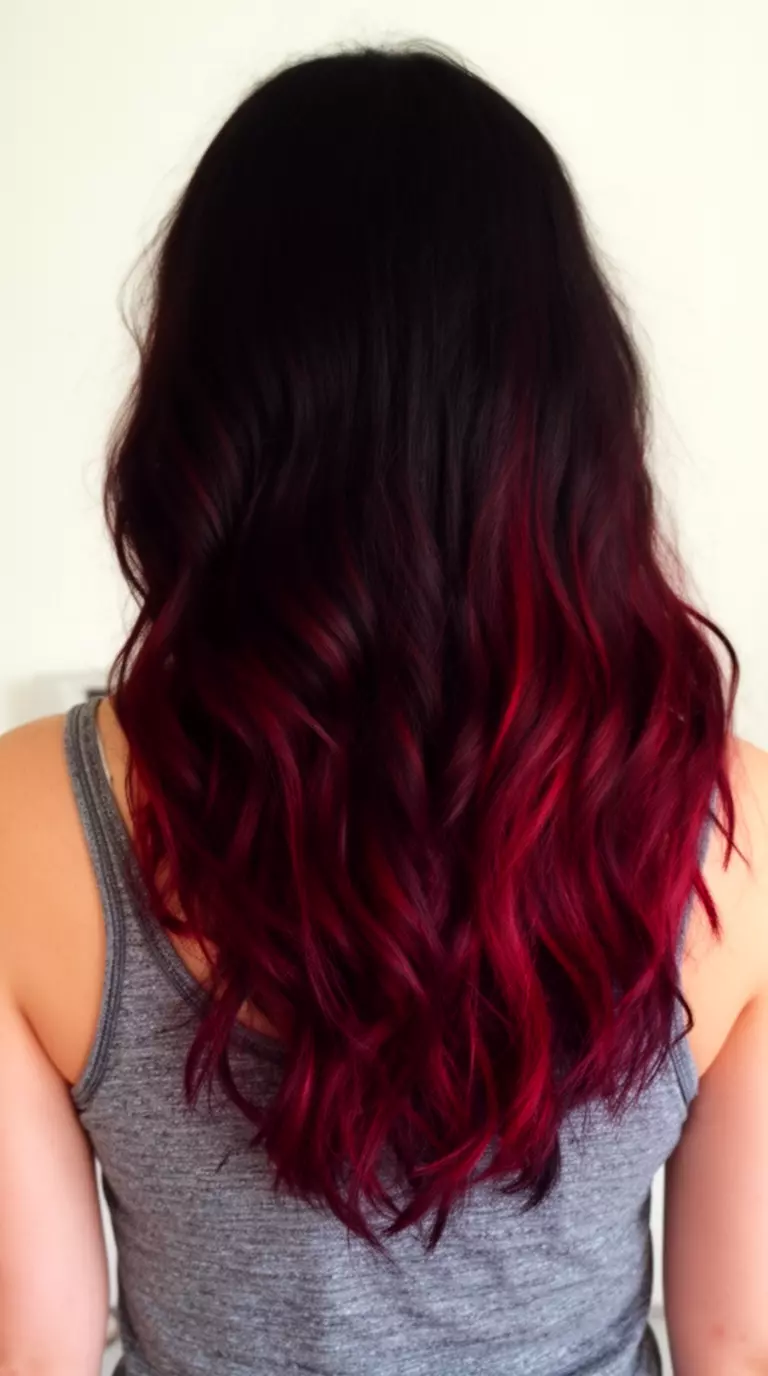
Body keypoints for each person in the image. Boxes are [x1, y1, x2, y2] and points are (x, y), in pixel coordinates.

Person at [0, 43, 766, 1376]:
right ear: (569, 422)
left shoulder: (29, 826)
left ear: (207, 419)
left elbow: (36, 1344)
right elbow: (734, 1337)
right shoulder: (735, 830)